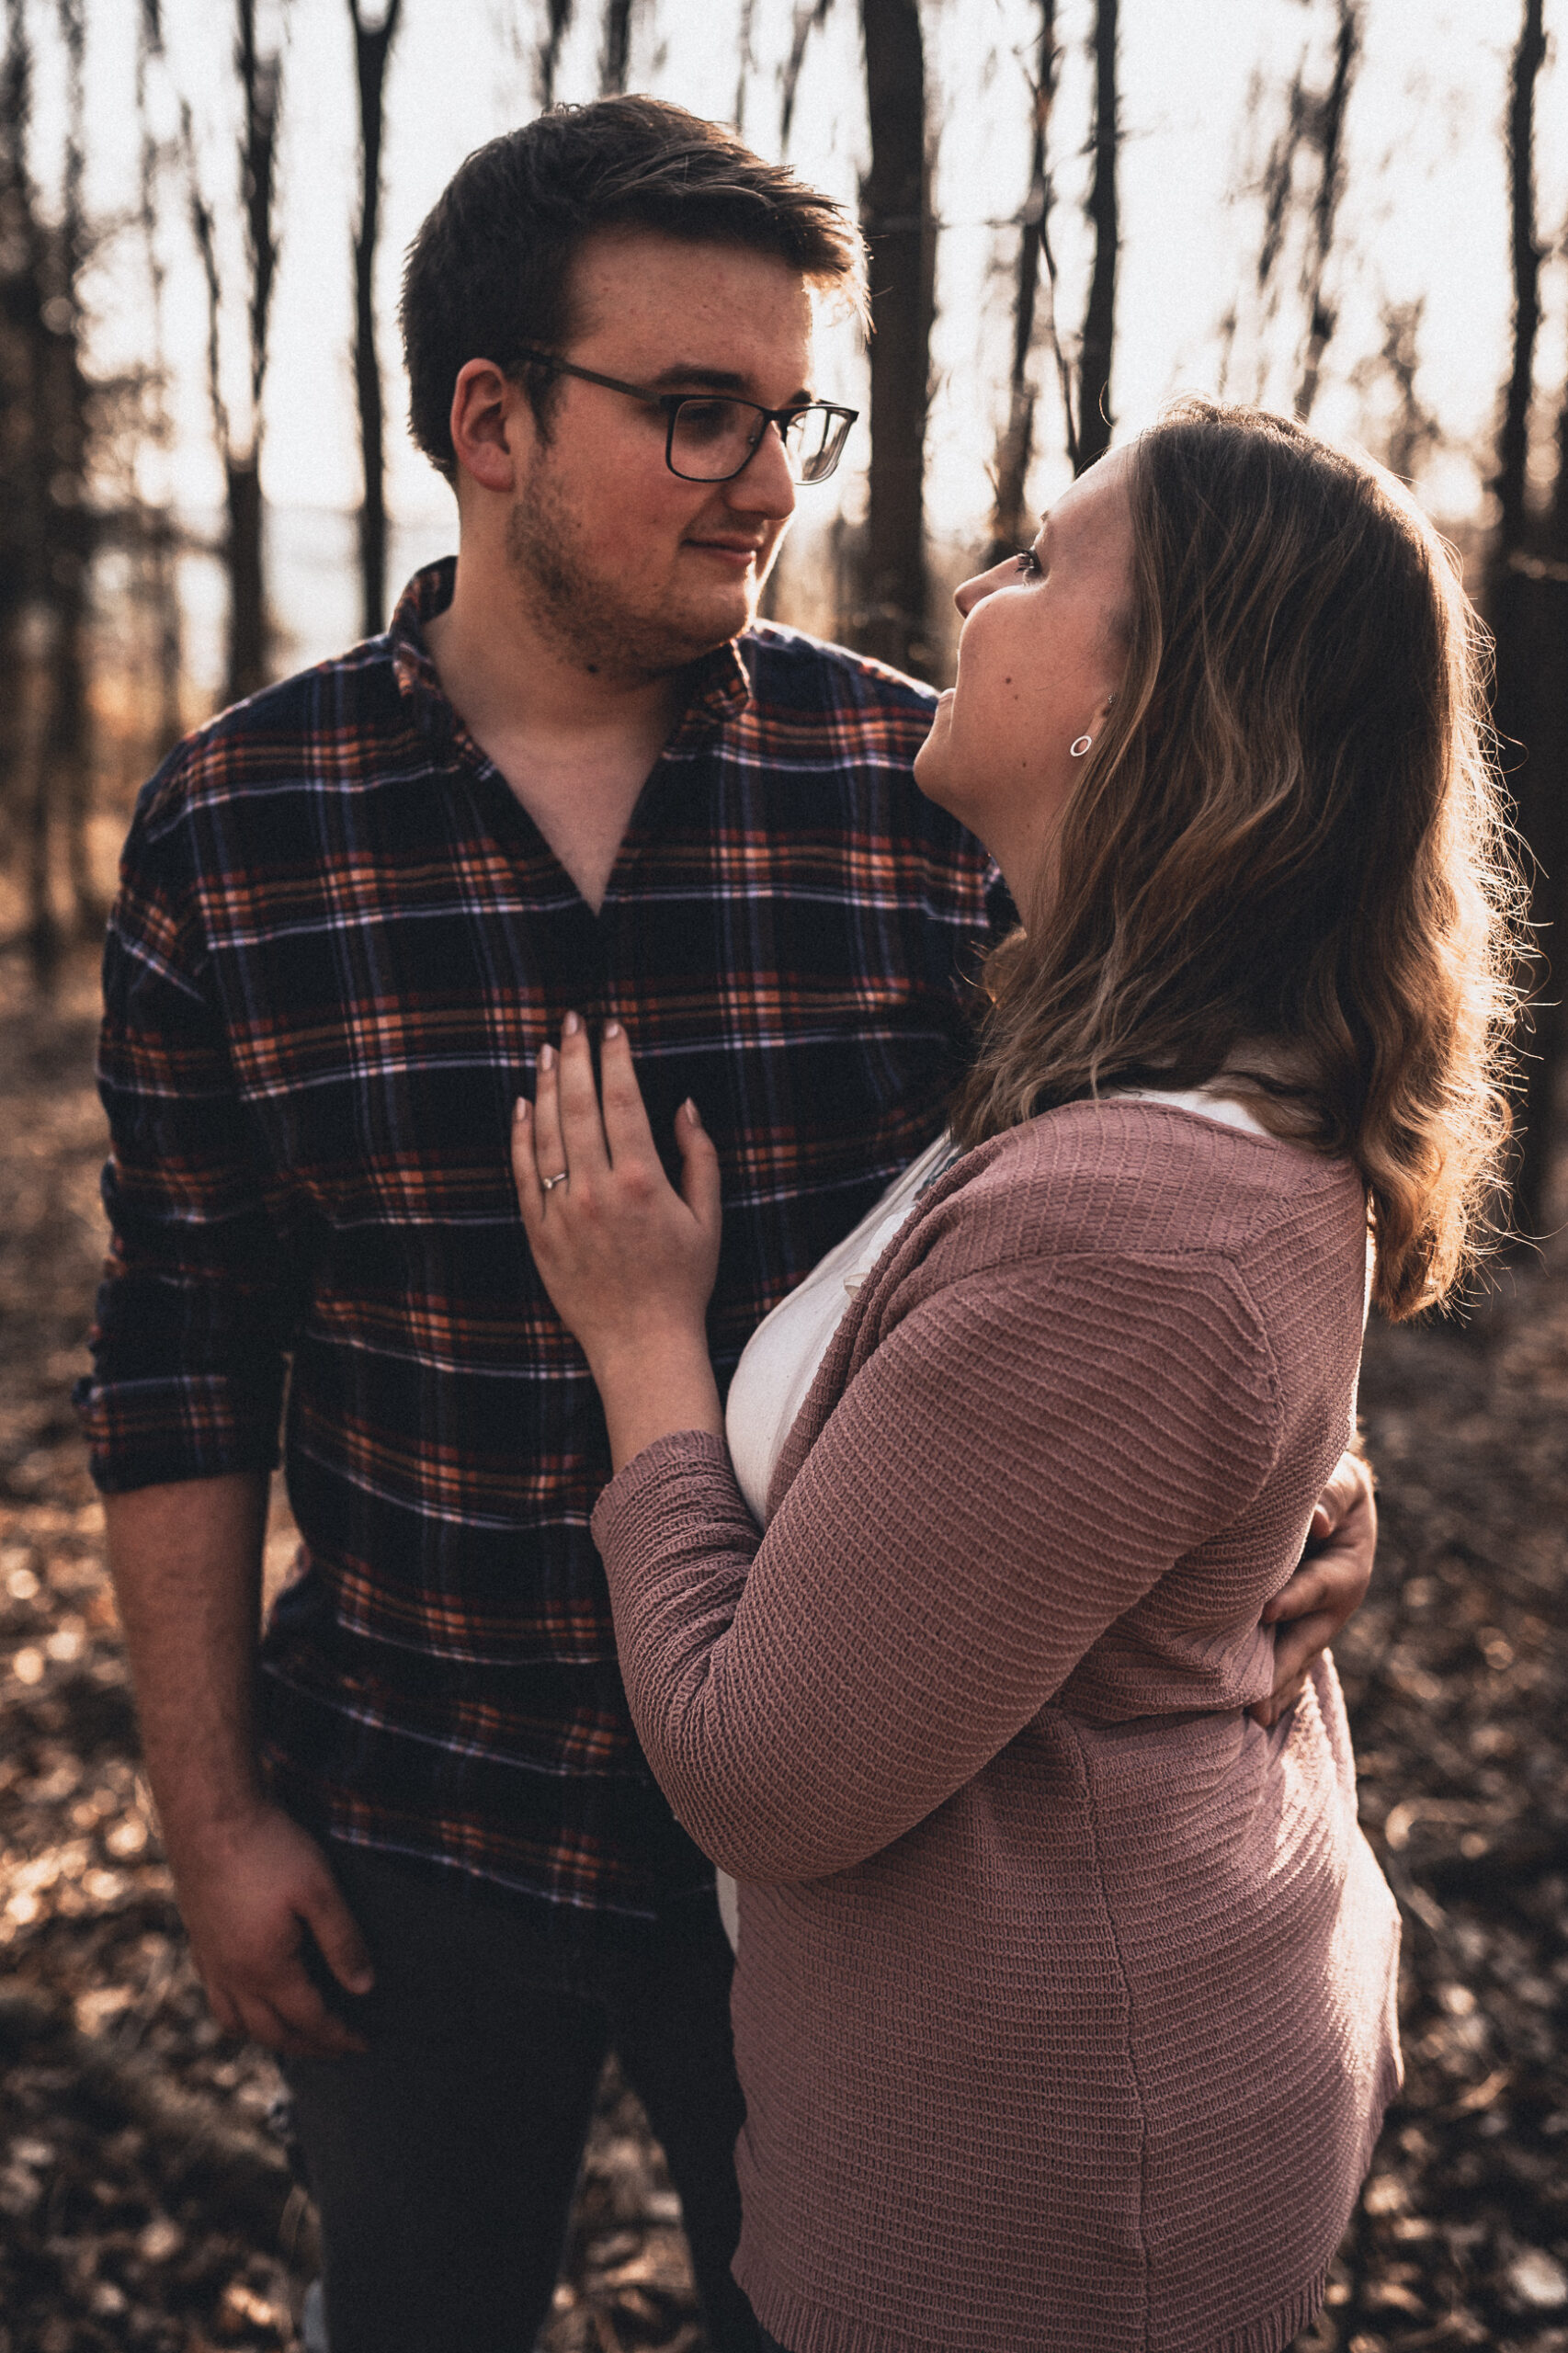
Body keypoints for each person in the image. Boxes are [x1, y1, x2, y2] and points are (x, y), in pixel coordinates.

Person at [78, 96, 1373, 2353]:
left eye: (792, 415)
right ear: (489, 421)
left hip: (861, 1869)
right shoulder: (239, 828)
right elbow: (184, 1349)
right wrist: (209, 1813)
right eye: (697, 411)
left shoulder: (927, 796)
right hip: (412, 1822)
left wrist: (1300, 1473)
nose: (771, 479)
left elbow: (1143, 1212)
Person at [510, 402, 1518, 2353]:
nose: (974, 590)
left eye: (1045, 563)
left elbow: (761, 1770)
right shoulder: (1141, 1083)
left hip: (1051, 2201)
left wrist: (638, 1340)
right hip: (1068, 2080)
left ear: (1144, 711)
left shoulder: (1131, 1220)